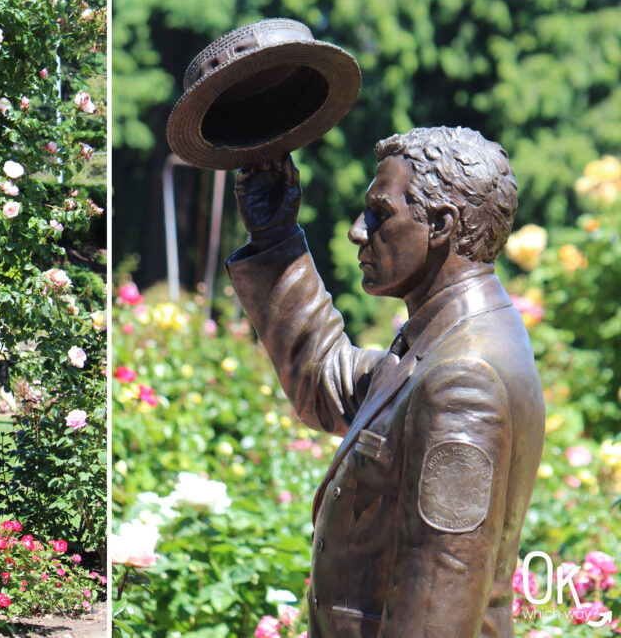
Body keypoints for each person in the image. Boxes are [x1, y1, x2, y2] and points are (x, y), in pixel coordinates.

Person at [225, 126, 544, 638]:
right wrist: (274, 239)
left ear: (442, 225)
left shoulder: (462, 377)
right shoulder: (447, 339)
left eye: (380, 213)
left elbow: (437, 607)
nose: (357, 230)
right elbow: (328, 378)